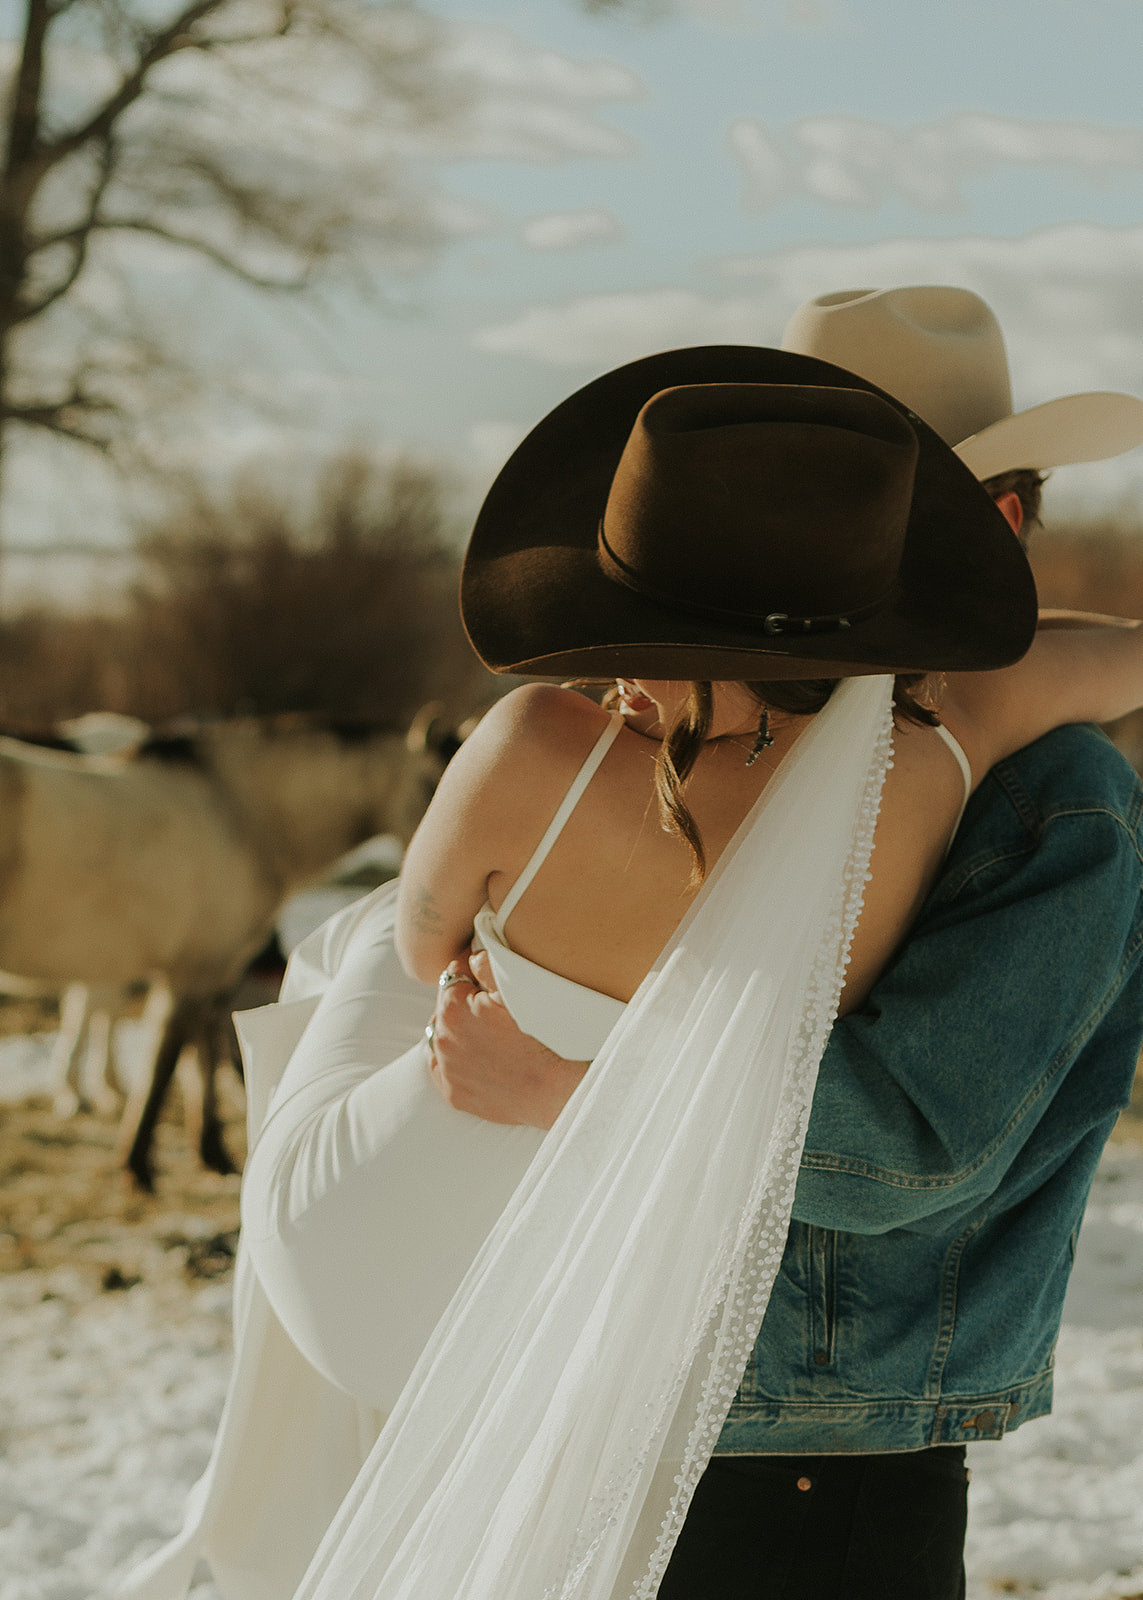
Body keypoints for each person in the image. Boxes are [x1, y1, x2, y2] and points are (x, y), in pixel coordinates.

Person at [421, 291, 1143, 1597]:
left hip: (772, 1425)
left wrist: (570, 1094)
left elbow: (905, 1150)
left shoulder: (1036, 789)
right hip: (655, 1394)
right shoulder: (972, 758)